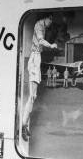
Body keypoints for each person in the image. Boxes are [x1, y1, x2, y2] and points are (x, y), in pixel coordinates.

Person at [22, 13, 57, 141]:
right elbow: (41, 40)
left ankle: (25, 125)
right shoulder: (39, 25)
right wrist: (51, 45)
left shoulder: (43, 26)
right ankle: (23, 126)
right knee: (31, 97)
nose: (50, 25)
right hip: (34, 58)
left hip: (37, 58)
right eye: (50, 22)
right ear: (48, 18)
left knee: (34, 97)